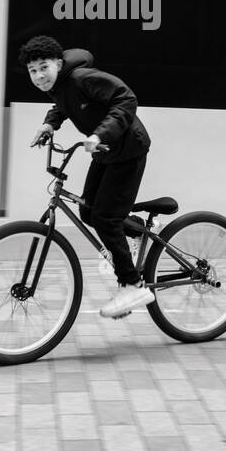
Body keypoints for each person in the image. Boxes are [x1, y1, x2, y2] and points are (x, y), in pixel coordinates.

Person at [19, 35, 155, 318]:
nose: (39, 76)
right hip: (106, 152)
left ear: (58, 63)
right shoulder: (58, 86)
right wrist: (49, 125)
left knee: (106, 218)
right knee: (88, 211)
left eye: (44, 67)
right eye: (33, 71)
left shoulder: (82, 77)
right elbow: (64, 105)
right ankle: (139, 230)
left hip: (129, 149)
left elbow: (126, 98)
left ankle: (132, 284)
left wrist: (99, 133)